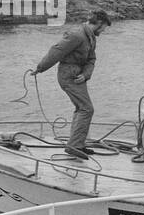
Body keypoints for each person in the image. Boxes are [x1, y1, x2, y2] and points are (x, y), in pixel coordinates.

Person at [33, 10, 112, 159]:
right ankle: (74, 146)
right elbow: (56, 52)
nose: (104, 31)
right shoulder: (76, 35)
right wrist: (40, 68)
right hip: (68, 76)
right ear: (99, 23)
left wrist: (86, 74)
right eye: (104, 28)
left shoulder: (91, 37)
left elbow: (91, 59)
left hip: (78, 76)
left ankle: (77, 144)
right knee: (86, 109)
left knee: (82, 108)